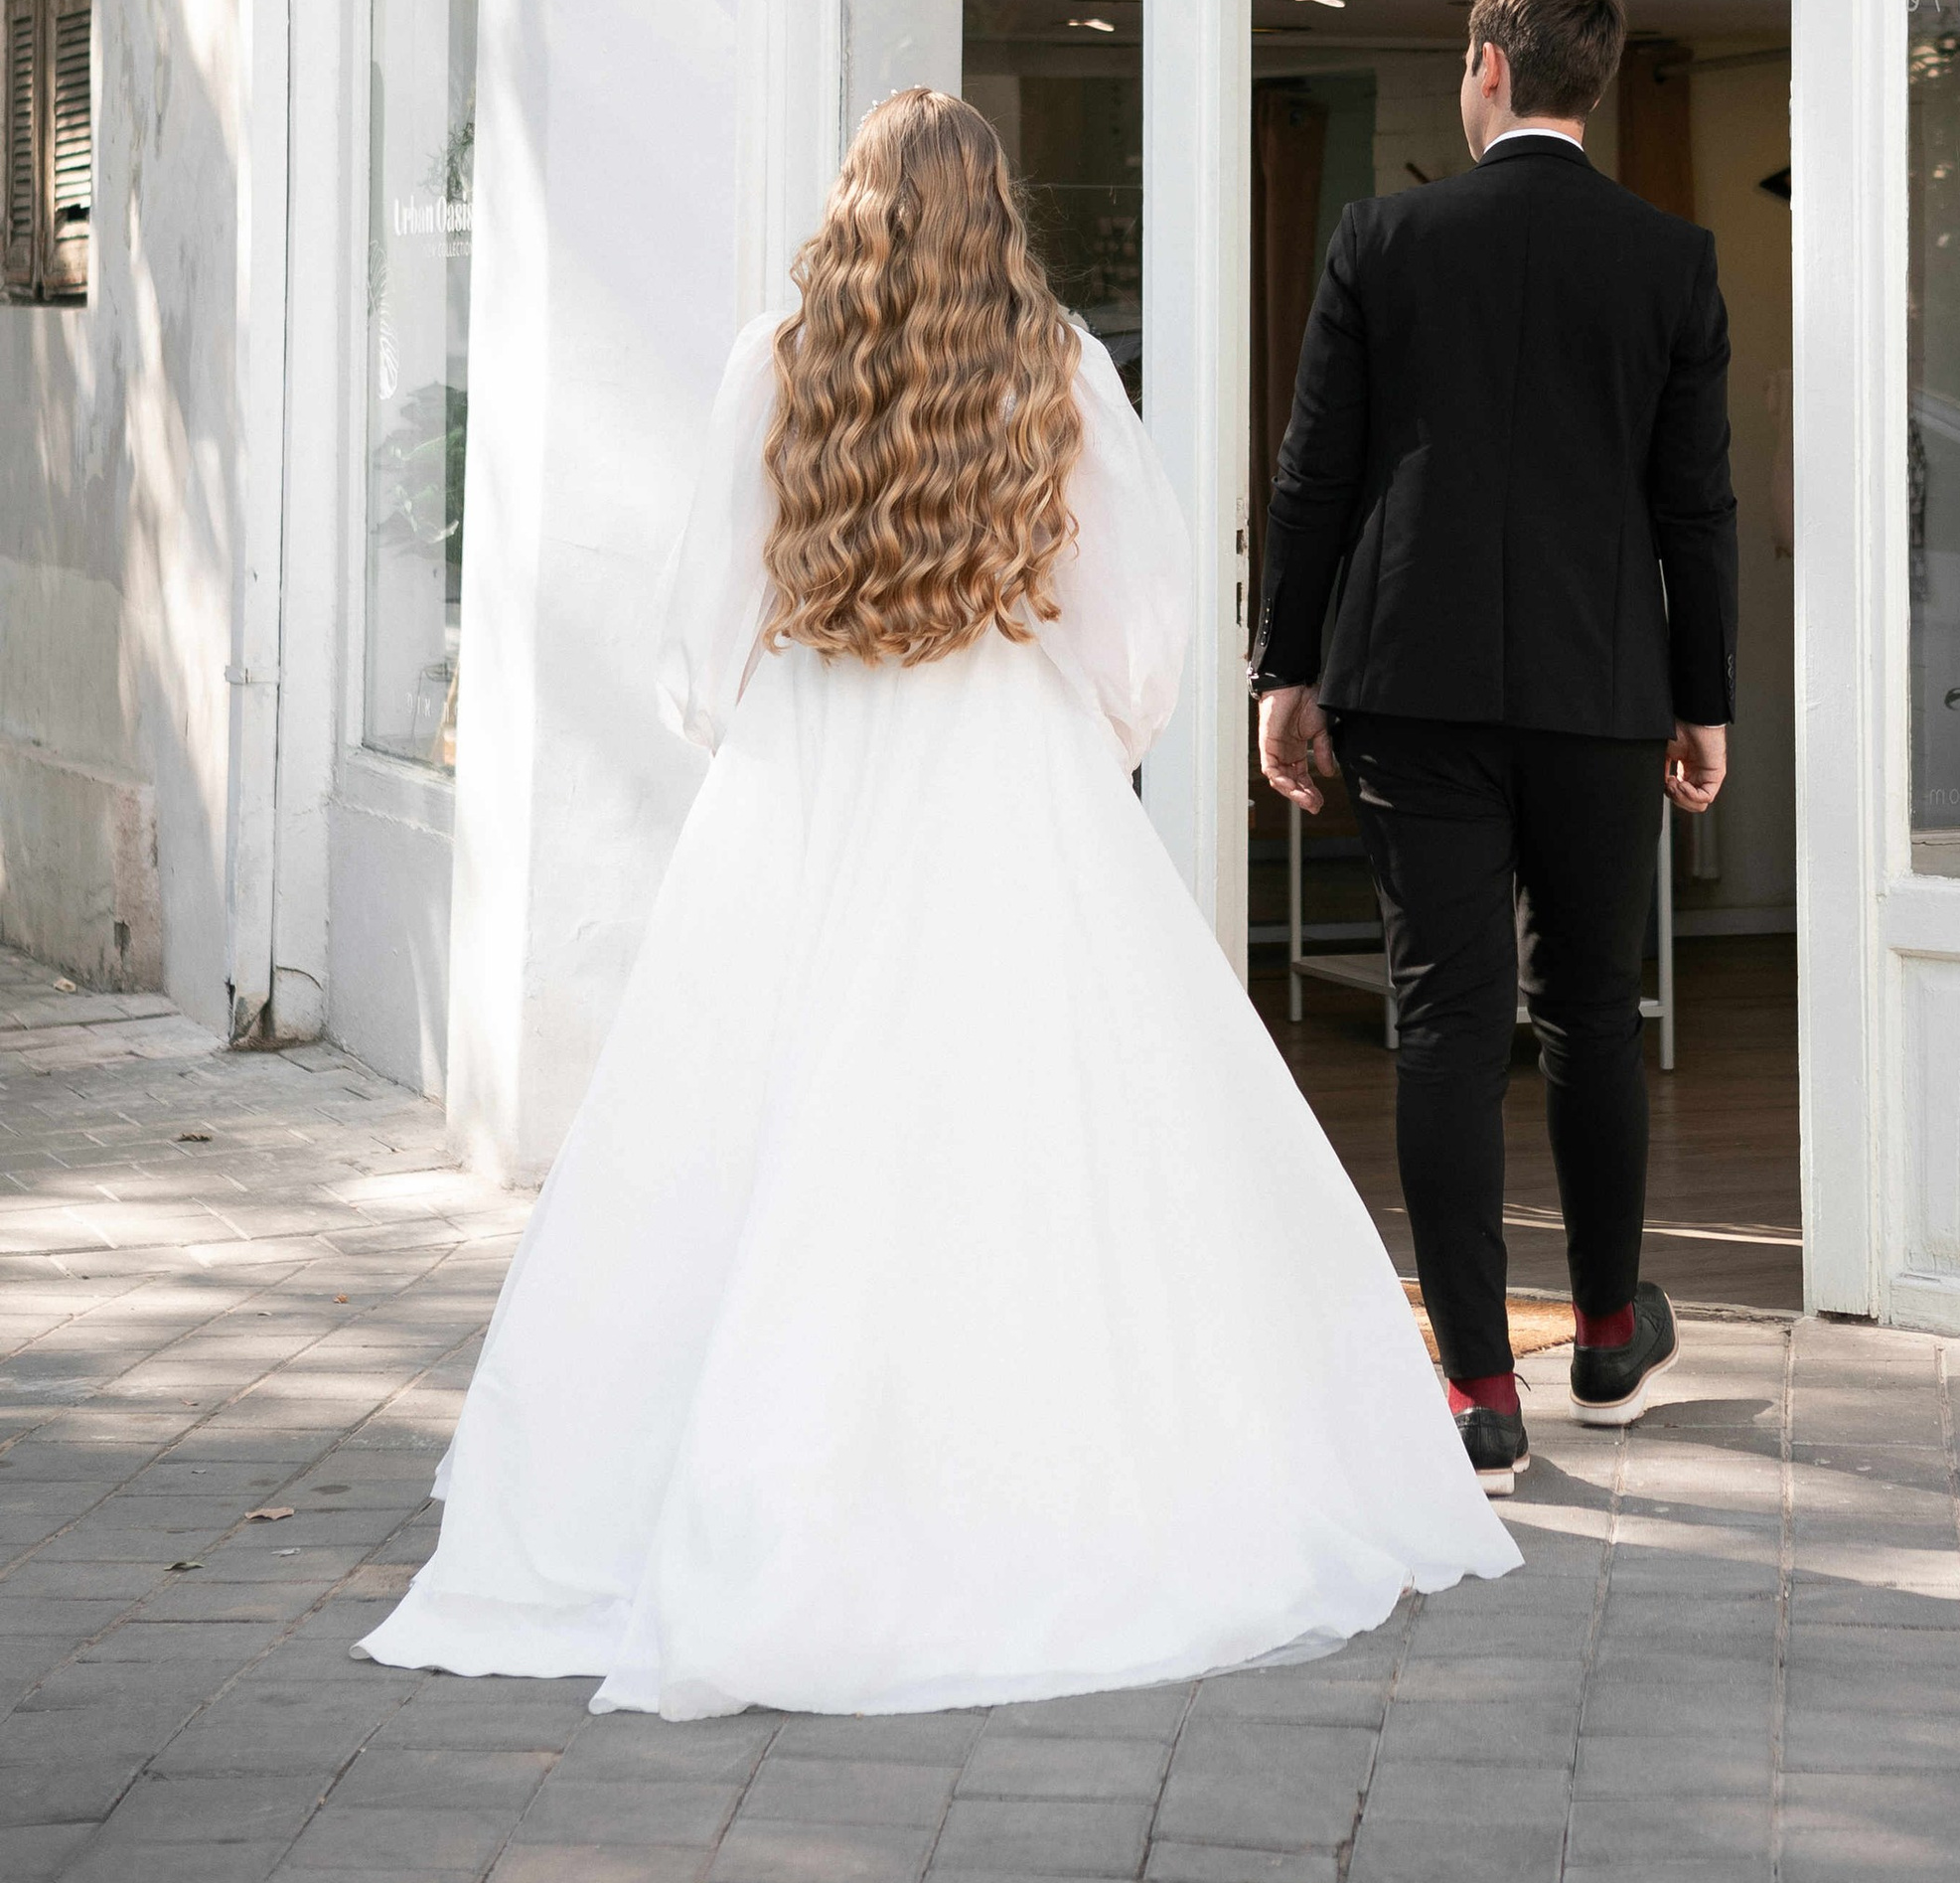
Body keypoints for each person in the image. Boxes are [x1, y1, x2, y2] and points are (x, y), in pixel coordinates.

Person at [363, 89, 1515, 1721]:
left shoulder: (775, 365)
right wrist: (1074, 738)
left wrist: (777, 733)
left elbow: (701, 644)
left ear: (854, 205)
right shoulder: (1062, 372)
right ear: (1001, 214)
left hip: (808, 776)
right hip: (1010, 773)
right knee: (1026, 1132)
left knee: (756, 1130)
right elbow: (1137, 644)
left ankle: (724, 1484)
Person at [1253, 0, 1736, 1493]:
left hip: (1415, 686)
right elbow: (1695, 506)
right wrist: (1703, 697)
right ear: (1585, 87)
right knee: (1591, 1011)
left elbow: (1313, 474)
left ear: (1483, 65)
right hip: (1605, 695)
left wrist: (1285, 671)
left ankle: (1478, 1394)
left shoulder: (1381, 240)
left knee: (1445, 1024)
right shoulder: (1671, 259)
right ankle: (1603, 1334)